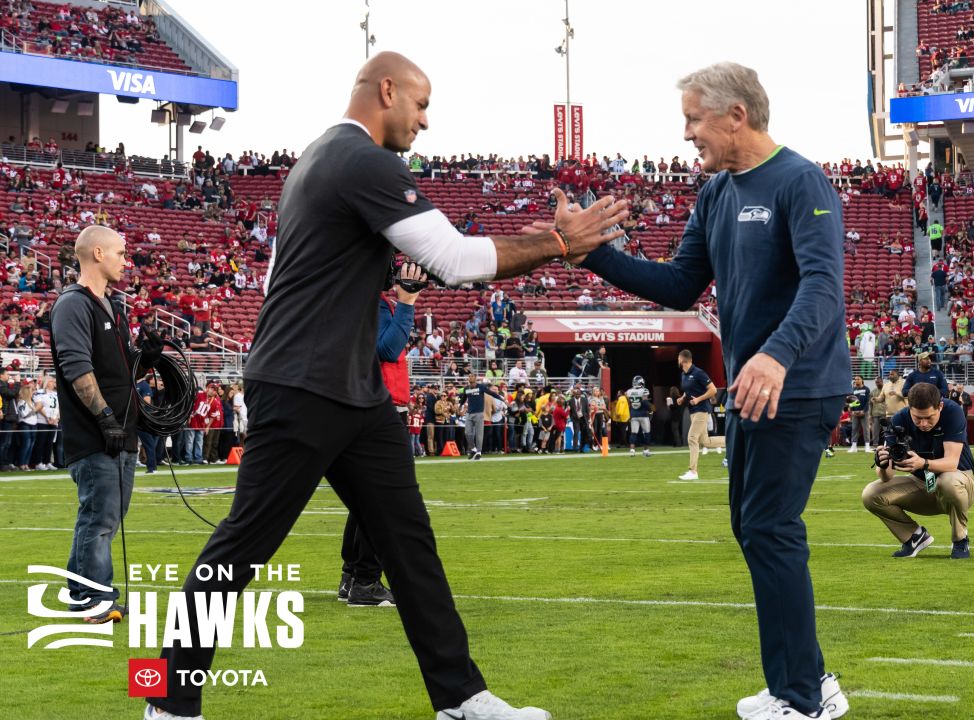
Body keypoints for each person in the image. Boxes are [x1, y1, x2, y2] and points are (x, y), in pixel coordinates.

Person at [147, 52, 627, 720]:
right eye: (422, 105)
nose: (425, 122)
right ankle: (166, 703)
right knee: (240, 546)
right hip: (304, 384)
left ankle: (461, 697)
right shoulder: (362, 159)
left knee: (408, 541)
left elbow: (278, 282)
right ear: (387, 90)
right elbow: (455, 260)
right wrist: (555, 240)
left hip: (347, 385)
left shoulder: (314, 162)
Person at [578, 62, 852, 719]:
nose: (685, 134)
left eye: (693, 119)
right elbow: (678, 284)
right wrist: (591, 254)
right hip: (758, 386)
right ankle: (804, 680)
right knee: (753, 528)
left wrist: (776, 356)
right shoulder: (716, 194)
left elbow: (823, 284)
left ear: (736, 115)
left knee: (769, 526)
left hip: (801, 382)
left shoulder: (801, 180)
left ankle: (802, 698)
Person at [50, 225, 164, 624]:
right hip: (96, 434)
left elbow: (120, 367)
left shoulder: (114, 306)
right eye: (119, 252)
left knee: (104, 518)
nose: (124, 260)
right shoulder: (72, 304)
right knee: (99, 519)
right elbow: (77, 368)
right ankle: (93, 600)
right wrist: (105, 419)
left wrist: (146, 358)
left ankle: (83, 590)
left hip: (123, 432)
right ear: (97, 253)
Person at [338, 261, 429, 609]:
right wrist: (407, 303)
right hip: (379, 408)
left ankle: (353, 576)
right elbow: (386, 349)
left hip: (368, 405)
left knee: (364, 500)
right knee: (385, 500)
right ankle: (365, 581)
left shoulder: (361, 300)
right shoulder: (372, 302)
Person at [862, 383, 974, 560]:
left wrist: (922, 463)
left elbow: (952, 463)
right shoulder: (899, 419)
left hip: (960, 482)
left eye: (929, 418)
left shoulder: (952, 412)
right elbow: (886, 478)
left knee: (947, 481)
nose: (923, 423)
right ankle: (914, 537)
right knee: (871, 494)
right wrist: (883, 464)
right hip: (922, 483)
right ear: (909, 407)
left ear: (940, 406)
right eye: (917, 418)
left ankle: (960, 539)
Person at [676, 349, 725, 480]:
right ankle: (732, 440)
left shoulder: (699, 373)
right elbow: (688, 390)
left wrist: (698, 399)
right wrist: (682, 397)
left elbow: (713, 389)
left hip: (702, 409)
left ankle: (693, 472)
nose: (677, 360)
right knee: (706, 442)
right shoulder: (684, 374)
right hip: (692, 411)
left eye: (678, 358)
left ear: (682, 359)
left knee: (692, 438)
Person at [462, 373, 504, 460]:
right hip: (469, 413)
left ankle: (478, 452)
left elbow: (491, 393)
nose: (470, 377)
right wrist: (459, 406)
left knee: (479, 434)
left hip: (479, 413)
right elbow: (463, 398)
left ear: (475, 378)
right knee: (467, 432)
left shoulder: (481, 387)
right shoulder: (466, 388)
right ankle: (473, 449)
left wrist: (501, 398)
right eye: (469, 376)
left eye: (472, 376)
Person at [626, 375, 653, 457]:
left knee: (633, 433)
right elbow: (645, 402)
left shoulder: (629, 391)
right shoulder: (644, 390)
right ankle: (646, 450)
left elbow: (629, 404)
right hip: (643, 414)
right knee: (646, 433)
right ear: (641, 383)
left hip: (634, 414)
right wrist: (650, 410)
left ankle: (632, 450)